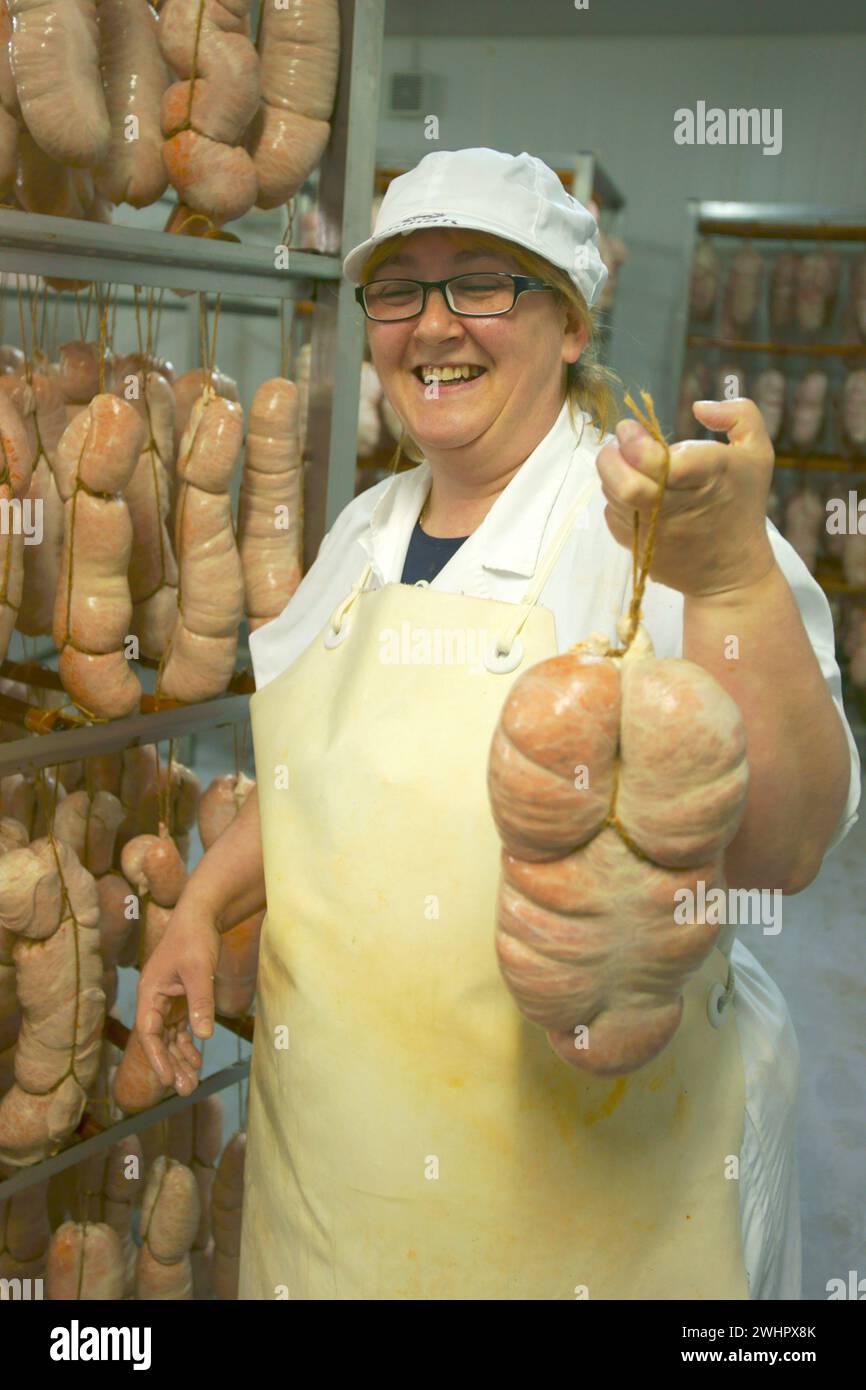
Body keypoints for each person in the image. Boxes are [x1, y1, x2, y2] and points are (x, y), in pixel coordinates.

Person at [136, 148, 861, 1301]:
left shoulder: (648, 518)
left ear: (569, 323)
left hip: (571, 1209)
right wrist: (202, 903)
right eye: (398, 289)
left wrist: (727, 586)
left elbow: (780, 851)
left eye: (480, 282)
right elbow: (320, 778)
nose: (432, 326)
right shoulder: (366, 528)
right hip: (329, 1185)